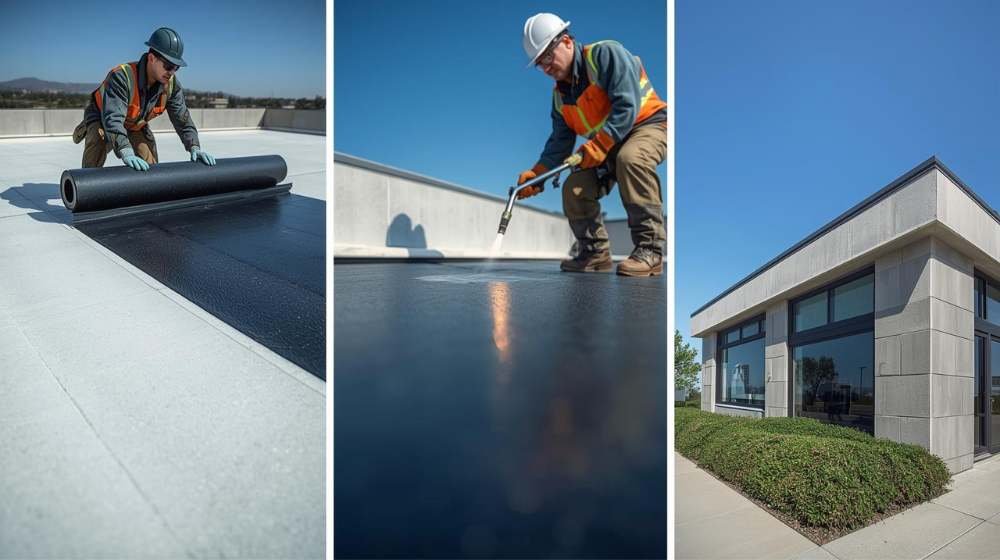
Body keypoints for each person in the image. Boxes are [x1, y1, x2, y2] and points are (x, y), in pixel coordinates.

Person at [518, 13, 667, 276]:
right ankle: (595, 252)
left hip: (647, 126)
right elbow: (559, 143)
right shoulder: (560, 98)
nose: (546, 67)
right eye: (540, 64)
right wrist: (537, 175)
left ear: (565, 41)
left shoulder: (605, 55)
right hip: (607, 146)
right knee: (574, 188)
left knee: (631, 159)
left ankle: (651, 250)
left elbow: (626, 106)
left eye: (548, 57)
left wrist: (598, 147)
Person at [73, 27, 216, 171]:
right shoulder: (122, 77)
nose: (172, 72)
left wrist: (194, 147)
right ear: (152, 58)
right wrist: (125, 150)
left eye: (176, 68)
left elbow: (182, 120)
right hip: (103, 116)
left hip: (135, 123)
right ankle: (85, 186)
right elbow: (113, 118)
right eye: (168, 66)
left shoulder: (171, 86)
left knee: (150, 164)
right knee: (99, 139)